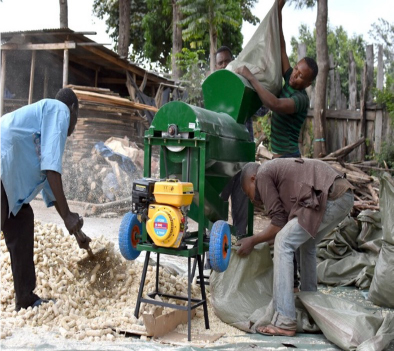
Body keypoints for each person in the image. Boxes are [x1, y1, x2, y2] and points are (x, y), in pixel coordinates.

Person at [236, 159, 354, 336]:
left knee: (283, 242)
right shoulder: (275, 173)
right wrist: (258, 240)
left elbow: (278, 226)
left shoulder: (263, 174)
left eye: (248, 193)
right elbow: (283, 224)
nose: (251, 199)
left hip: (331, 196)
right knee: (305, 244)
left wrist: (252, 241)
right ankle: (310, 304)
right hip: (344, 195)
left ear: (253, 179)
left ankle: (284, 320)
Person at [1, 88, 84, 312]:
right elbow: (51, 169)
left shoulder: (47, 124)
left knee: (22, 220)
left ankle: (25, 298)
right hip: (2, 164)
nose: (74, 128)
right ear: (73, 110)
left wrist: (76, 232)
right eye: (76, 119)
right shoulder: (59, 110)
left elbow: (50, 187)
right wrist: (68, 216)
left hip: (8, 184)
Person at [235, 0, 318, 159]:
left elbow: (275, 104)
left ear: (307, 83)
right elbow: (281, 48)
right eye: (295, 69)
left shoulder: (300, 99)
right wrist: (278, 11)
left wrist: (251, 77)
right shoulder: (289, 80)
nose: (294, 75)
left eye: (300, 76)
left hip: (289, 158)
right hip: (278, 156)